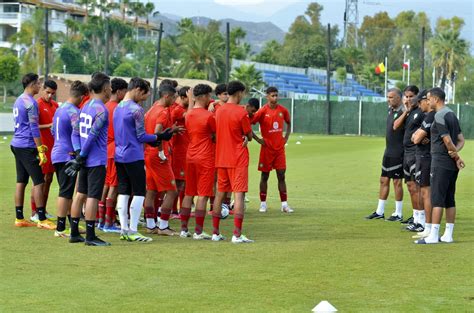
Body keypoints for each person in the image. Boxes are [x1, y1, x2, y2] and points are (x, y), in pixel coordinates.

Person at [114, 77, 170, 242]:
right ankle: (133, 229)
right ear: (137, 89)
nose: (144, 100)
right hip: (133, 155)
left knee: (123, 191)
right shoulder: (136, 109)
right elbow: (141, 136)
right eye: (143, 96)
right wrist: (159, 136)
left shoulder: (118, 107)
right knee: (139, 191)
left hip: (119, 154)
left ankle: (124, 229)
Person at [66, 72, 112, 246]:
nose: (111, 91)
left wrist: (78, 154)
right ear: (106, 89)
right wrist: (82, 155)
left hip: (84, 158)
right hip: (95, 160)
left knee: (80, 194)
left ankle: (74, 233)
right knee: (93, 196)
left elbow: (75, 132)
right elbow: (93, 135)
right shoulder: (102, 110)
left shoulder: (85, 106)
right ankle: (91, 236)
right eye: (110, 88)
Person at [415, 88, 465, 244]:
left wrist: (453, 153)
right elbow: (461, 140)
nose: (427, 101)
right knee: (450, 199)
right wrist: (456, 156)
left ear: (436, 99)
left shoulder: (439, 116)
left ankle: (433, 236)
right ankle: (448, 235)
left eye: (429, 99)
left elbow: (448, 140)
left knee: (437, 199)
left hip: (440, 163)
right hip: (451, 164)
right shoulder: (452, 114)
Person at [11, 73, 56, 230]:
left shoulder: (18, 99)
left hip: (16, 143)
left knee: (21, 181)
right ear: (31, 84)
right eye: (38, 83)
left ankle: (19, 218)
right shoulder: (31, 103)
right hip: (26, 145)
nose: (39, 86)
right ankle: (41, 218)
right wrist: (40, 149)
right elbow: (34, 128)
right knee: (39, 181)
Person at [212, 81, 254, 243]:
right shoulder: (241, 112)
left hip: (221, 157)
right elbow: (249, 135)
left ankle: (215, 233)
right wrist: (245, 137)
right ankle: (236, 235)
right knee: (239, 196)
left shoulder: (219, 111)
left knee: (219, 194)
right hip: (237, 159)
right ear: (239, 93)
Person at [143, 84, 184, 235]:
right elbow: (156, 133)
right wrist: (161, 151)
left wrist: (171, 130)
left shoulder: (152, 109)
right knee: (172, 191)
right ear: (166, 96)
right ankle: (163, 226)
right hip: (158, 156)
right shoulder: (163, 112)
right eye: (173, 98)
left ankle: (150, 225)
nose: (174, 101)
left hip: (148, 153)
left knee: (152, 191)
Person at [51, 81, 89, 237]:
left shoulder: (60, 109)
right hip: (67, 155)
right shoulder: (74, 112)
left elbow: (53, 131)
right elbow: (77, 134)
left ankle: (70, 225)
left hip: (57, 152)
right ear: (81, 96)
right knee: (66, 192)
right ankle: (60, 229)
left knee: (65, 190)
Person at [179, 84, 215, 239]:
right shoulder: (209, 116)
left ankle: (183, 229)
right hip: (205, 157)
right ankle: (199, 231)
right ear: (204, 97)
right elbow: (215, 134)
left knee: (188, 193)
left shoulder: (188, 115)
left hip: (190, 156)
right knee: (203, 194)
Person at [251, 87, 292, 213]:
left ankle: (284, 204)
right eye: (272, 95)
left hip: (279, 149)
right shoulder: (262, 111)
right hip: (267, 149)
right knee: (265, 176)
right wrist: (258, 139)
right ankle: (263, 204)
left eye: (276, 95)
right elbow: (248, 123)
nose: (275, 98)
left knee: (281, 175)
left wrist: (285, 138)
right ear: (267, 97)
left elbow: (289, 123)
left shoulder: (283, 110)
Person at [366, 88, 405, 220]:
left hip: (399, 152)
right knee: (383, 180)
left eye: (391, 97)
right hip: (388, 151)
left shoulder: (404, 112)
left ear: (399, 98)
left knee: (397, 182)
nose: (388, 99)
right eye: (388, 97)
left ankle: (398, 213)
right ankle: (379, 211)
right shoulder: (390, 110)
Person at [98, 78, 128, 232]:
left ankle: (101, 219)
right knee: (114, 186)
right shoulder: (118, 108)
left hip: (105, 150)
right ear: (120, 91)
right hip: (115, 150)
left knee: (106, 184)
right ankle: (108, 222)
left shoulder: (105, 106)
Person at [393, 86, 424, 228]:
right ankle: (416, 217)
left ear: (417, 96)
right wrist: (406, 111)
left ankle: (422, 221)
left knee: (418, 187)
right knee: (411, 187)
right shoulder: (409, 112)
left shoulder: (422, 112)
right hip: (406, 153)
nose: (408, 99)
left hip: (416, 153)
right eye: (406, 96)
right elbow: (395, 126)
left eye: (411, 96)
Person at [30, 79, 59, 222]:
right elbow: (33, 126)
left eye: (52, 93)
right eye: (48, 92)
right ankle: (34, 211)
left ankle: (43, 210)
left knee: (48, 179)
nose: (50, 96)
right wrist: (48, 125)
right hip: (42, 147)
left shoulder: (55, 105)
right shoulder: (37, 105)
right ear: (42, 89)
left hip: (54, 148)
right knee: (38, 181)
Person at [411, 89, 435, 239]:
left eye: (421, 101)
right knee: (423, 192)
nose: (420, 105)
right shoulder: (427, 116)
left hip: (427, 158)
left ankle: (429, 227)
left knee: (427, 193)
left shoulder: (431, 116)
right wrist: (418, 136)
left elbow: (416, 138)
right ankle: (428, 226)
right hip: (422, 157)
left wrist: (419, 136)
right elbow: (415, 137)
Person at [171, 86, 191, 214]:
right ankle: (174, 211)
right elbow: (190, 116)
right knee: (179, 183)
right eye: (190, 98)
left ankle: (177, 210)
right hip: (178, 152)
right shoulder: (178, 109)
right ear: (183, 97)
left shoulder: (181, 108)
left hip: (184, 151)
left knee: (183, 183)